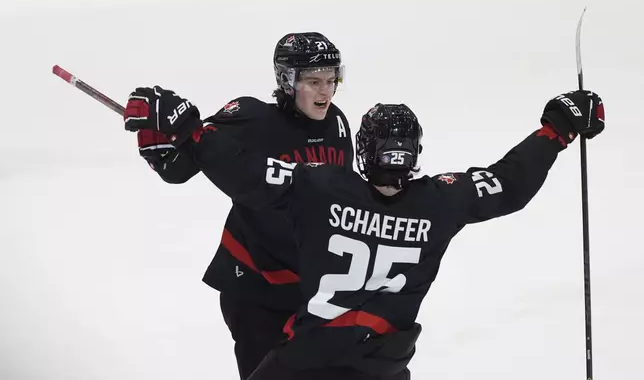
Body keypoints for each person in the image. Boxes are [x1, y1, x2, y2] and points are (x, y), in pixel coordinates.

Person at [122, 86, 604, 379]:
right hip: (384, 366)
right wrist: (555, 132)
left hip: (304, 361)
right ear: (415, 154)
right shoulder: (442, 201)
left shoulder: (320, 187)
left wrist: (194, 133)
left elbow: (250, 174)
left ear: (362, 152)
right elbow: (509, 184)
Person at [130, 32, 354, 379]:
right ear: (287, 81)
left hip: (311, 290)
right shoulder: (251, 117)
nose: (326, 91)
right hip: (256, 290)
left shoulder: (337, 123)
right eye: (314, 81)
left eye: (331, 80)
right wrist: (161, 146)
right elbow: (183, 165)